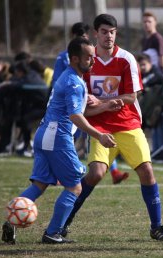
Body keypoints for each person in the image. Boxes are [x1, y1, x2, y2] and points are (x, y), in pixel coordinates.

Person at [62, 14, 163, 242]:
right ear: (96, 33)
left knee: (147, 172)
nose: (108, 36)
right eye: (104, 31)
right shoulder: (87, 59)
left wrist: (102, 102)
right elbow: (79, 94)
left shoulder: (126, 59)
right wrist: (91, 101)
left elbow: (131, 97)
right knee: (95, 174)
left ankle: (157, 227)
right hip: (100, 125)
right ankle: (63, 223)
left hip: (128, 123)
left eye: (112, 32)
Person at [1, 37, 121, 244]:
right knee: (75, 187)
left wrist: (105, 106)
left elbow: (77, 111)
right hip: (57, 136)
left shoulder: (70, 77)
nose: (93, 61)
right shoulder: (74, 82)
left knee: (39, 184)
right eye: (89, 57)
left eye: (94, 56)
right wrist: (99, 135)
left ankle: (11, 221)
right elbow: (75, 116)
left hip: (44, 134)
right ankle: (52, 233)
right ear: (75, 59)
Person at [53, 21, 128, 184]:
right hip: (71, 106)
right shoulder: (64, 60)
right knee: (72, 137)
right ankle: (63, 173)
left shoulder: (92, 55)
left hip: (86, 104)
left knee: (97, 135)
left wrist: (101, 101)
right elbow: (58, 81)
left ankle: (113, 170)